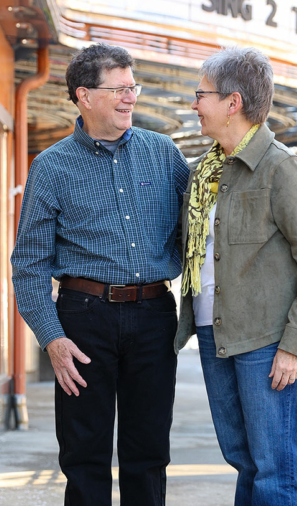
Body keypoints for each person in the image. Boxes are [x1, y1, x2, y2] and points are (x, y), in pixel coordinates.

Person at [11, 43, 189, 506]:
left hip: (154, 315)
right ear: (84, 96)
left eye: (134, 87)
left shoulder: (165, 154)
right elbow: (28, 263)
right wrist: (52, 337)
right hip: (83, 320)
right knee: (84, 455)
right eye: (120, 88)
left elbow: (199, 232)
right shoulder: (50, 167)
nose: (131, 97)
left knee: (148, 452)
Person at [175, 47, 297, 506]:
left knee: (274, 470)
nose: (193, 104)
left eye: (201, 94)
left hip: (267, 342)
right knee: (244, 461)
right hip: (213, 332)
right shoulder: (204, 172)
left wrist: (295, 345)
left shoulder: (281, 168)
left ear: (233, 102)